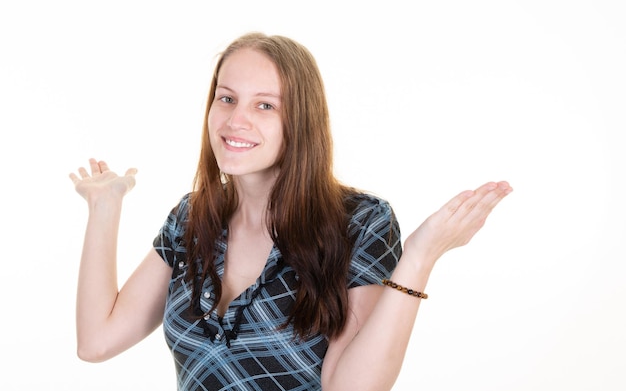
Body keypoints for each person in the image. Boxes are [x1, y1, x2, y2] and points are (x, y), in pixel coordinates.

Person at [69, 32, 512, 391]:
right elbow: (96, 342)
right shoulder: (193, 218)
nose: (235, 120)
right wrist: (104, 209)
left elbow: (352, 388)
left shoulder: (359, 223)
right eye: (226, 98)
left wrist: (418, 259)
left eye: (265, 105)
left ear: (300, 120)